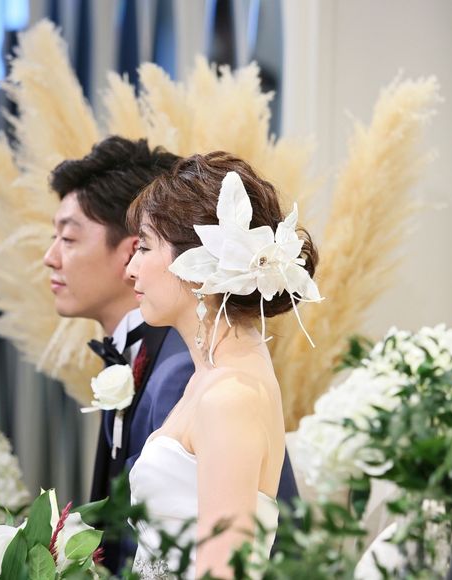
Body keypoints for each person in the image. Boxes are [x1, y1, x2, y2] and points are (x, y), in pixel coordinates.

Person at [126, 151, 321, 578]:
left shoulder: (230, 395)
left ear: (198, 264)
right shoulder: (213, 374)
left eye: (143, 247)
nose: (131, 268)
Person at [43, 136, 193, 573]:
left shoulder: (179, 372)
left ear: (131, 250)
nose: (50, 257)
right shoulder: (137, 353)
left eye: (68, 238)